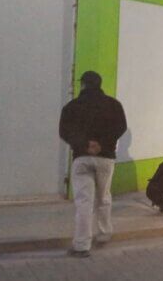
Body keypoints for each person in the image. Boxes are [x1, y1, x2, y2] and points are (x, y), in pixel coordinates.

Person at [59, 71, 127, 258]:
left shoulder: (71, 107)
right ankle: (104, 234)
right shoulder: (114, 105)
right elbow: (120, 126)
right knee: (104, 197)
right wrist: (102, 144)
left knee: (84, 202)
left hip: (81, 158)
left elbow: (64, 131)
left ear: (83, 85)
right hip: (105, 158)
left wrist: (85, 145)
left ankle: (81, 245)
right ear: (100, 84)